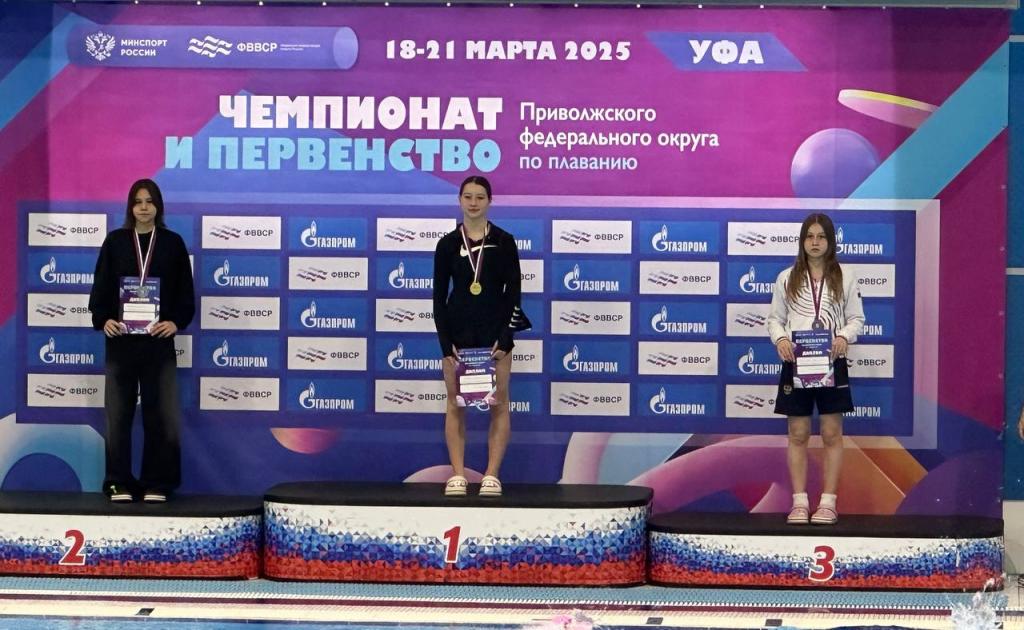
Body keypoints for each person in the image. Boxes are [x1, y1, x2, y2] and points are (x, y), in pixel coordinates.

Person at [88, 179, 195, 503]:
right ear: (130, 207)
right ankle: (117, 481)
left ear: (158, 206)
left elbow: (185, 294)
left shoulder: (172, 244)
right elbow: (100, 289)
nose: (144, 207)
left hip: (157, 341)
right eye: (138, 201)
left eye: (149, 201)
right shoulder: (115, 242)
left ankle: (156, 483)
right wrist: (103, 319)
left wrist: (175, 322)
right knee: (118, 415)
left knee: (159, 413)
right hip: (121, 340)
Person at [433, 175, 530, 497]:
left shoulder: (504, 241)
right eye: (468, 197)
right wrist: (445, 344)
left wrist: (506, 337)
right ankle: (458, 474)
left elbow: (514, 293)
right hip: (458, 335)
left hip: (494, 334)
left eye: (480, 197)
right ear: (459, 200)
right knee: (455, 404)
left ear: (490, 201)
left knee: (499, 403)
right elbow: (438, 298)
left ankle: (491, 474)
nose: (473, 203)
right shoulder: (447, 244)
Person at [766, 213, 864, 525]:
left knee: (832, 432)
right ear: (802, 241)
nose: (815, 242)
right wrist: (781, 339)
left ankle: (828, 502)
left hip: (831, 361)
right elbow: (774, 319)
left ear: (830, 241)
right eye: (810, 236)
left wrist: (843, 336)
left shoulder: (845, 276)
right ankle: (799, 502)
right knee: (798, 433)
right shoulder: (786, 278)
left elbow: (857, 319)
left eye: (821, 237)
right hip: (796, 362)